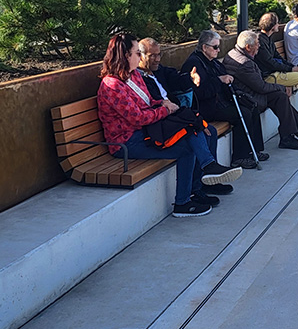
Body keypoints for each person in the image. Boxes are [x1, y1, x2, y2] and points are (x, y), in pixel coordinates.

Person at [97, 33, 241, 218]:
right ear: (125, 56)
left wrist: (162, 104)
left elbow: (148, 101)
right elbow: (138, 118)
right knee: (187, 146)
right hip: (127, 142)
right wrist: (166, 111)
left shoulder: (133, 77)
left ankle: (198, 184)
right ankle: (187, 197)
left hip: (147, 132)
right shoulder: (112, 85)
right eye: (136, 53)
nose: (139, 57)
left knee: (194, 129)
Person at [137, 37, 231, 202]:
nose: (157, 59)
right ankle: (199, 182)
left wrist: (190, 78)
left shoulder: (158, 70)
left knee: (210, 131)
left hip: (172, 116)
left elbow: (176, 78)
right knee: (194, 134)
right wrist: (166, 106)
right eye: (152, 56)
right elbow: (149, 103)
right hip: (160, 122)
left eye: (159, 55)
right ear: (139, 56)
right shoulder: (139, 78)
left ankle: (204, 180)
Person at [225, 30, 298, 151]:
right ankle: (296, 134)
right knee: (280, 95)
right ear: (248, 47)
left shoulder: (236, 53)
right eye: (257, 44)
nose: (259, 46)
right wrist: (282, 87)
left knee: (280, 97)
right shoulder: (244, 63)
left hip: (249, 92)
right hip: (248, 98)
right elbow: (261, 87)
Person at [184, 30, 273, 169]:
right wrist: (219, 80)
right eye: (215, 47)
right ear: (204, 47)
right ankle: (240, 157)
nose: (218, 50)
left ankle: (254, 149)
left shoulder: (212, 61)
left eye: (218, 47)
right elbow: (201, 92)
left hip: (221, 101)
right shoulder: (195, 63)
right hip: (207, 107)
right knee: (243, 114)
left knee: (251, 106)